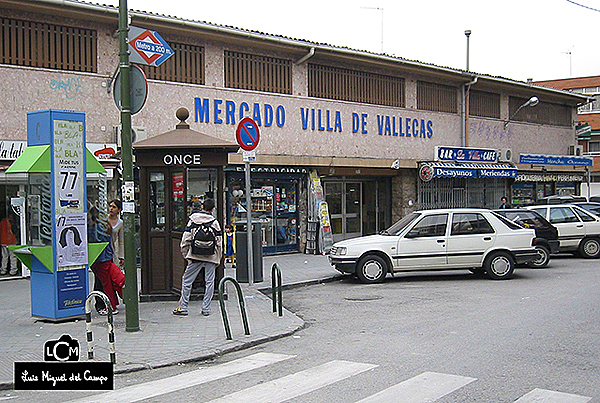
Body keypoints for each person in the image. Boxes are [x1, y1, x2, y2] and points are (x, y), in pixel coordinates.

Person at [173, 199, 222, 316]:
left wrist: (187, 255)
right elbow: (219, 243)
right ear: (213, 209)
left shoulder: (192, 220)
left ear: (202, 207)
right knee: (209, 282)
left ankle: (183, 307)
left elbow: (185, 240)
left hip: (195, 255)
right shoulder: (214, 222)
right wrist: (218, 258)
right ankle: (206, 309)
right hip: (210, 256)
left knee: (187, 281)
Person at [88, 207, 124, 315]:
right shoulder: (106, 226)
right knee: (109, 280)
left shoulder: (95, 229)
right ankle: (112, 303)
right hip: (108, 256)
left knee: (104, 282)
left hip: (99, 258)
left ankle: (109, 305)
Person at [0, 211, 18, 276]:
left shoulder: (2, 222)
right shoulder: (11, 222)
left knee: (4, 256)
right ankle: (13, 270)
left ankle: (3, 270)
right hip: (12, 241)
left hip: (3, 241)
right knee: (13, 256)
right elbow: (15, 231)